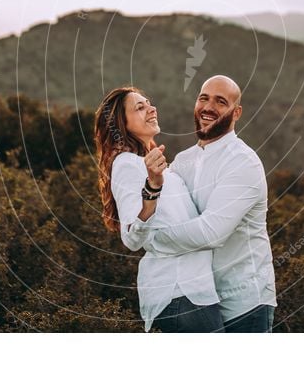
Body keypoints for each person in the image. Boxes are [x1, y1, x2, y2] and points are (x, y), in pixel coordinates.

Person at [142, 75, 277, 333]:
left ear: (236, 113)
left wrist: (151, 239)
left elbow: (211, 232)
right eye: (203, 98)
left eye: (220, 101)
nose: (208, 107)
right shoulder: (182, 161)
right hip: (199, 299)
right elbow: (168, 212)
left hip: (244, 302)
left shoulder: (243, 162)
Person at [94, 86, 223, 332]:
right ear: (121, 123)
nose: (151, 108)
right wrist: (152, 187)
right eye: (139, 107)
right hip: (180, 293)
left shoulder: (153, 165)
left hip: (194, 293)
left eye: (149, 103)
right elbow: (132, 237)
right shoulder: (127, 164)